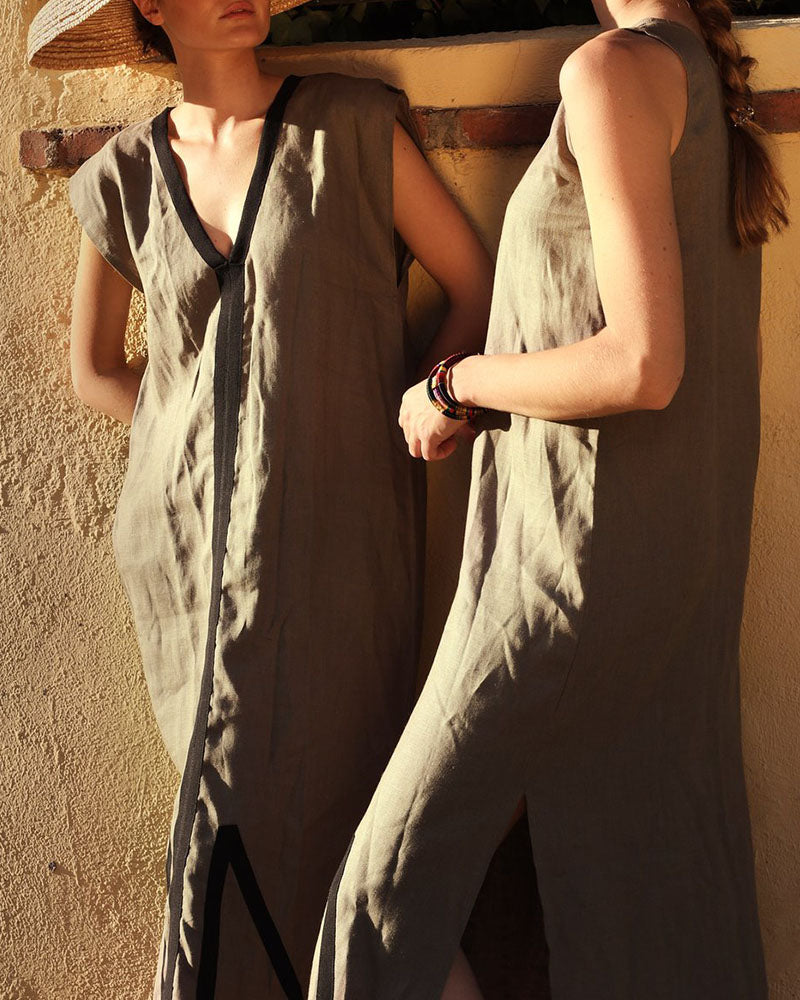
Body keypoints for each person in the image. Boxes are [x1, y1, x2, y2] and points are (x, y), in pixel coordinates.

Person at [308, 0, 789, 996]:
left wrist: (455, 385)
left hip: (564, 581)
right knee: (644, 914)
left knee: (382, 902)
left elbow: (643, 363)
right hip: (663, 583)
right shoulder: (693, 73)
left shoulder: (612, 72)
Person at [26, 1, 494, 998]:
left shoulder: (351, 127)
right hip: (186, 558)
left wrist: (412, 405)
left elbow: (471, 281)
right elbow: (95, 370)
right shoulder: (122, 175)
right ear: (151, 7)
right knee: (229, 810)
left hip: (341, 544)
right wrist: (194, 445)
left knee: (346, 822)